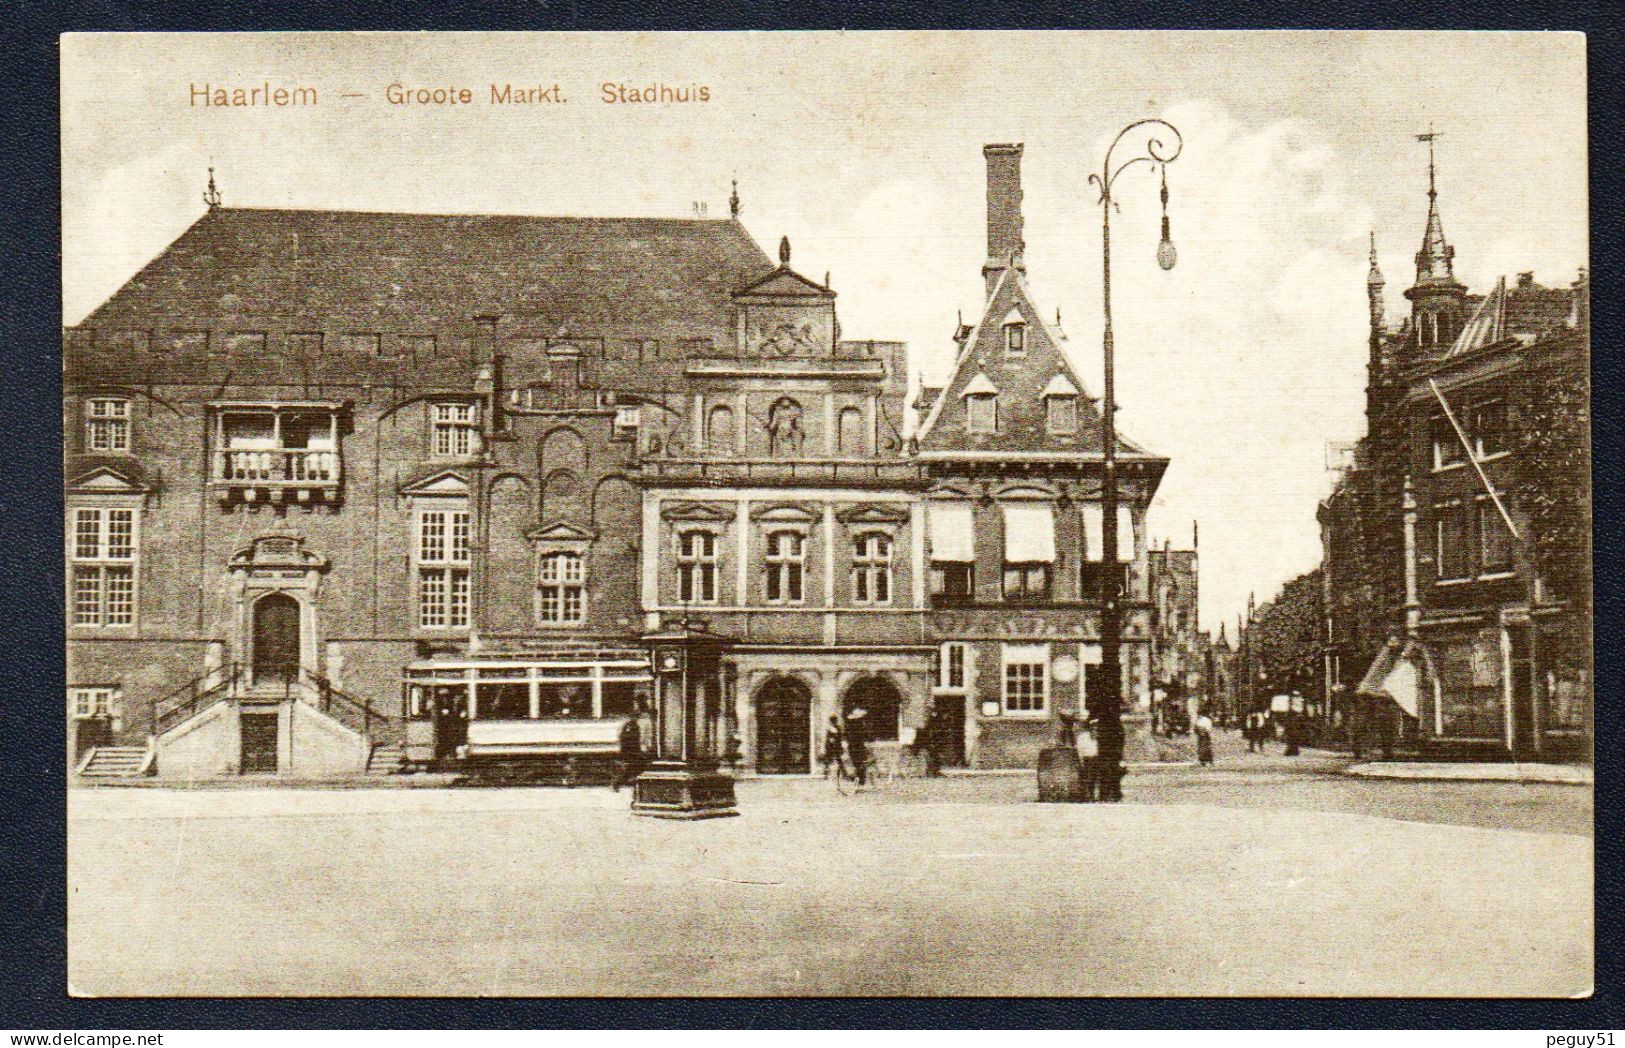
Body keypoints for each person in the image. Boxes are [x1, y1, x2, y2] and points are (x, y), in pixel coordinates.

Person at [1075, 719, 1100, 801]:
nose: (1095, 728)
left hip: (1097, 759)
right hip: (1087, 760)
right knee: (1089, 776)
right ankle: (1088, 795)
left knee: (1095, 776)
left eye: (1097, 726)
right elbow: (1079, 749)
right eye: (1093, 726)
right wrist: (1081, 759)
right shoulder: (1083, 737)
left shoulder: (1101, 737)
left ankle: (1094, 795)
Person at [844, 707, 870, 787]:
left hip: (851, 746)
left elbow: (845, 733)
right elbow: (865, 734)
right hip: (859, 745)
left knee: (856, 763)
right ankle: (859, 779)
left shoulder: (849, 724)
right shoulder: (860, 724)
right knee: (863, 761)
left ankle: (857, 778)